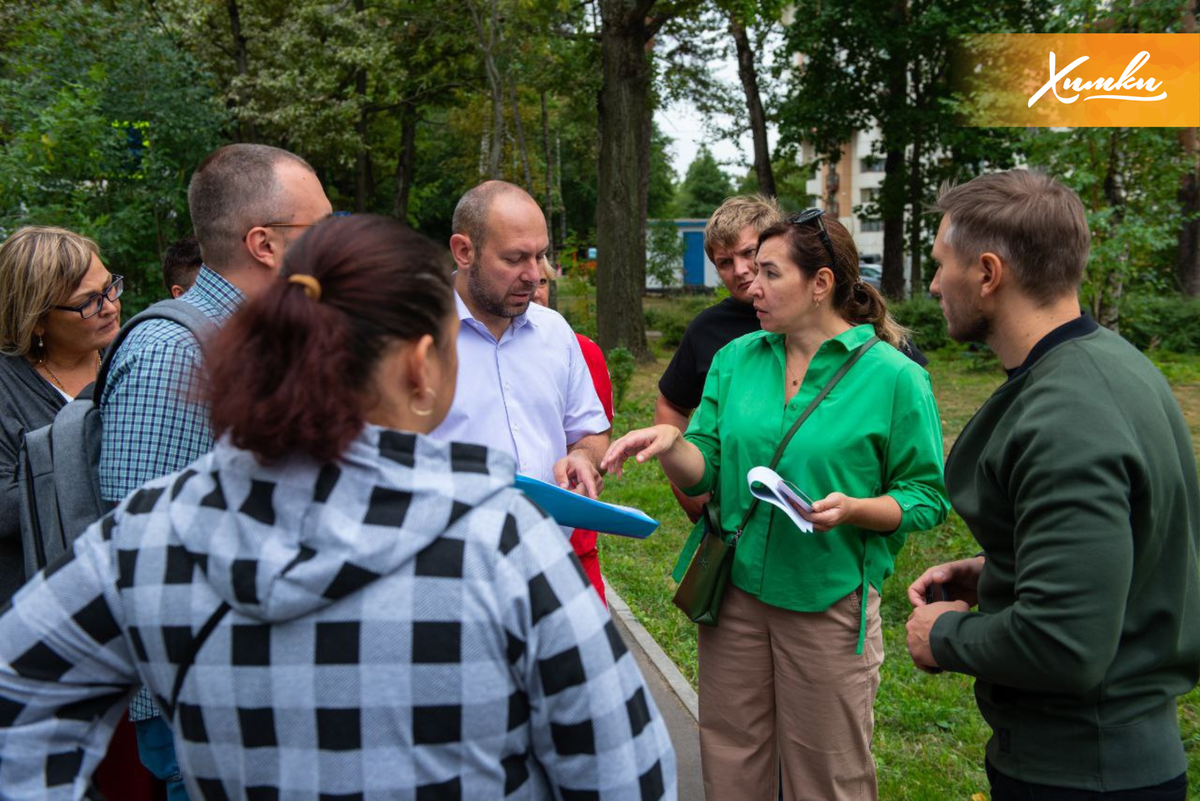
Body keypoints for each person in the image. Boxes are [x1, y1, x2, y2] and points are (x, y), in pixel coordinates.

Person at [0, 214, 677, 799]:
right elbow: (626, 773)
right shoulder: (501, 541)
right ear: (421, 365)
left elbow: (18, 694)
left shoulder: (151, 535)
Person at [603, 210, 949, 800]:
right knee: (732, 757)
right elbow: (706, 461)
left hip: (827, 602)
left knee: (827, 776)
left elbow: (926, 497)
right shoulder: (737, 358)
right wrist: (671, 446)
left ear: (820, 284)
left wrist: (857, 510)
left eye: (768, 272)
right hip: (734, 595)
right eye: (749, 271)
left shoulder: (894, 378)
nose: (750, 285)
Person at [906, 169, 1200, 800]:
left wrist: (943, 636)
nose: (933, 284)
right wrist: (997, 571)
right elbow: (1125, 554)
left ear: (987, 274)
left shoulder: (1067, 415)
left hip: (1080, 772)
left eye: (940, 264)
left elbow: (1064, 642)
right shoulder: (1111, 364)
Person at [98, 143, 332, 797]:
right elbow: (142, 554)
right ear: (264, 243)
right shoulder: (173, 350)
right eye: (322, 231)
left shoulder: (259, 341)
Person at [656, 195, 929, 524]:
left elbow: (921, 491)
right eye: (725, 262)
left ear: (820, 283)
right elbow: (701, 452)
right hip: (737, 558)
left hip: (832, 569)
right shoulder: (729, 355)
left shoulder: (890, 368)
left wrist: (857, 510)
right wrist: (680, 461)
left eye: (762, 267)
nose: (747, 278)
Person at [432, 181, 610, 499]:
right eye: (515, 259)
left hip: (549, 545)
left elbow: (590, 430)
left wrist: (583, 455)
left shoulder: (555, 332)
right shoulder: (410, 336)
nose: (532, 275)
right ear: (463, 252)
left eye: (540, 256)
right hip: (450, 546)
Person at [0, 226, 122, 605]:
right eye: (89, 303)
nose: (111, 307)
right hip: (40, 604)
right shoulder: (7, 387)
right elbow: (5, 507)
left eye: (110, 287)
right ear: (35, 320)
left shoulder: (131, 360)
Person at [533, 258, 612, 604]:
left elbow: (595, 436)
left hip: (571, 543)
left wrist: (583, 456)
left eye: (542, 283)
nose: (535, 292)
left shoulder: (579, 348)